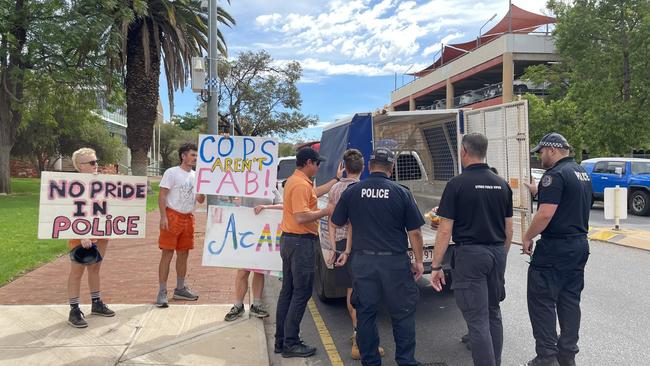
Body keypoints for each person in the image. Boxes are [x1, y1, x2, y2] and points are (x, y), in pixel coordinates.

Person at [331, 147, 425, 366]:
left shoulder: (353, 191)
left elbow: (337, 220)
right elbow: (415, 233)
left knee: (365, 313)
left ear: (369, 167)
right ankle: (406, 361)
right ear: (391, 169)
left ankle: (371, 361)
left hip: (363, 262)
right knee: (402, 312)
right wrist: (419, 261)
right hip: (394, 263)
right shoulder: (401, 192)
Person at [429, 133, 513, 366]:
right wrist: (500, 257)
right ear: (484, 152)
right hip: (497, 253)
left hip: (470, 256)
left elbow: (445, 230)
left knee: (477, 321)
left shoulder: (457, 184)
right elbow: (509, 229)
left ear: (464, 152)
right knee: (493, 313)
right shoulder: (501, 184)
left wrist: (436, 266)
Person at [522, 133, 591, 366]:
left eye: (541, 152)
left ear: (552, 150)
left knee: (541, 300)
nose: (540, 156)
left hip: (555, 247)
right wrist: (537, 192)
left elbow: (546, 213)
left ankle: (546, 357)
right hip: (579, 245)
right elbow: (568, 202)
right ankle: (567, 354)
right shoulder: (581, 172)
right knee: (570, 299)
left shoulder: (554, 175)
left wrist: (527, 236)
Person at [275, 147, 344, 358]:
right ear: (308, 163)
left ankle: (282, 340)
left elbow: (314, 194)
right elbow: (301, 217)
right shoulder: (299, 185)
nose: (319, 166)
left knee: (288, 291)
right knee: (301, 292)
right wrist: (326, 211)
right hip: (300, 243)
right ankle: (291, 342)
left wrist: (335, 180)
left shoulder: (298, 182)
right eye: (317, 163)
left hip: (291, 241)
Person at [326, 149, 385, 360]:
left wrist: (334, 248)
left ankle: (357, 334)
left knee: (351, 293)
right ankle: (360, 342)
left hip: (341, 245)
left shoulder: (334, 189)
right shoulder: (362, 189)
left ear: (344, 167)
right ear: (362, 168)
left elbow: (332, 221)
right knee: (365, 294)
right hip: (359, 245)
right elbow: (354, 223)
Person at [66, 148, 115, 328]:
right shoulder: (71, 184)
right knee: (77, 272)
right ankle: (74, 309)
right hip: (79, 233)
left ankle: (96, 302)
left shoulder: (102, 182)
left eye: (96, 161)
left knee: (95, 269)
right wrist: (81, 234)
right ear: (79, 166)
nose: (96, 165)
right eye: (91, 163)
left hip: (101, 232)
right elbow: (67, 210)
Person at [156, 143, 206, 308]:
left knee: (183, 254)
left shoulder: (196, 175)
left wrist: (202, 191)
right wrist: (163, 216)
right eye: (192, 155)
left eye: (196, 156)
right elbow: (162, 194)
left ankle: (180, 288)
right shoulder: (172, 172)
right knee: (167, 254)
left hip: (188, 217)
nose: (195, 158)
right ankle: (162, 291)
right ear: (183, 156)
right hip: (172, 216)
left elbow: (200, 199)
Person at [224, 187, 283, 322]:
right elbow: (230, 200)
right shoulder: (244, 184)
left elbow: (283, 206)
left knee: (259, 270)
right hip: (246, 233)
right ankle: (238, 305)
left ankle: (256, 304)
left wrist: (266, 207)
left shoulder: (272, 189)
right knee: (242, 271)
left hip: (263, 234)